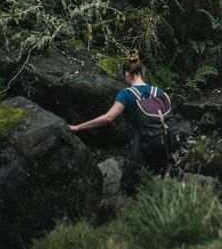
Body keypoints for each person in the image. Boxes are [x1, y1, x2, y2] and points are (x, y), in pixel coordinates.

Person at [69, 51, 171, 194]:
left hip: (139, 152)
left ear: (127, 74)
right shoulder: (158, 92)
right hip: (162, 148)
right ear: (141, 72)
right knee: (157, 190)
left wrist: (78, 127)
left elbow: (108, 118)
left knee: (133, 191)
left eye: (125, 76)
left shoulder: (126, 94)